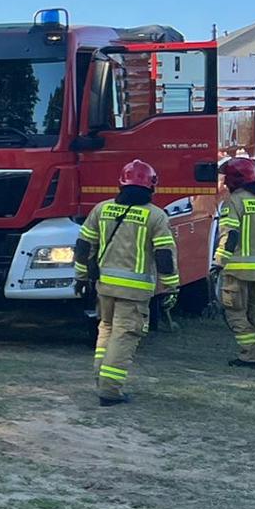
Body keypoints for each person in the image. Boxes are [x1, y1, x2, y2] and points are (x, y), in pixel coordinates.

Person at [74, 159, 179, 406]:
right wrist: (171, 287)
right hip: (134, 292)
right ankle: (110, 391)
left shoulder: (101, 209)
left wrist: (81, 277)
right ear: (151, 185)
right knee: (124, 336)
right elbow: (164, 255)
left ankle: (101, 378)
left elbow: (83, 246)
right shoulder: (156, 216)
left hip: (105, 288)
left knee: (106, 330)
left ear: (121, 183)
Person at [214, 156, 255, 368]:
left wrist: (219, 261)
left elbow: (230, 234)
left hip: (238, 270)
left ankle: (250, 357)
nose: (225, 183)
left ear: (234, 180)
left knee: (236, 313)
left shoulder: (234, 202)